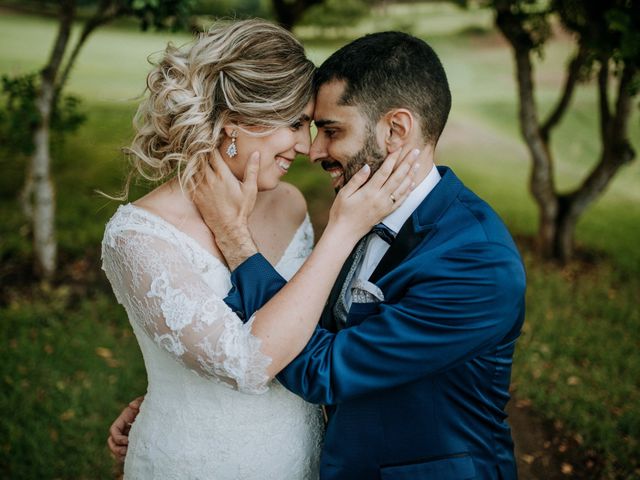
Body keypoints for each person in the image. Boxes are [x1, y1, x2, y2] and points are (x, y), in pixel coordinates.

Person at [110, 31, 527, 479]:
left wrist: (235, 239)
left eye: (329, 130)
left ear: (396, 129)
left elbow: (320, 365)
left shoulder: (476, 262)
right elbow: (296, 321)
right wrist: (179, 394)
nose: (313, 150)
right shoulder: (366, 209)